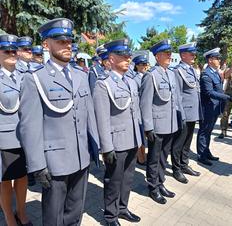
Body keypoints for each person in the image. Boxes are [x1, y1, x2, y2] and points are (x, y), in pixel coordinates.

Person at [18, 18, 100, 225]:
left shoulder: (81, 75)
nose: (67, 45)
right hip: (54, 163)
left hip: (81, 158)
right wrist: (37, 165)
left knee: (75, 214)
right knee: (54, 218)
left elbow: (89, 116)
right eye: (60, 41)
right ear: (46, 44)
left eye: (69, 41)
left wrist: (96, 148)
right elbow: (30, 126)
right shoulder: (35, 78)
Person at [93, 39, 142, 226]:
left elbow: (135, 112)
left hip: (131, 138)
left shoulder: (130, 81)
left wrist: (140, 138)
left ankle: (123, 208)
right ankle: (110, 216)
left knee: (128, 178)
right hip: (116, 141)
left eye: (129, 56)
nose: (128, 59)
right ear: (111, 59)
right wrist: (106, 147)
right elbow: (102, 118)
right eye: (123, 56)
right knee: (114, 180)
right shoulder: (103, 84)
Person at [140, 39, 182, 204]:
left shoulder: (171, 73)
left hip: (170, 123)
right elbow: (145, 103)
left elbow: (175, 99)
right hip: (157, 125)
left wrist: (179, 119)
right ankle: (153, 187)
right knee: (154, 157)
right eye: (166, 53)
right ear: (157, 56)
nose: (169, 56)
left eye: (170, 53)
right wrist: (148, 127)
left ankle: (160, 182)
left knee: (164, 157)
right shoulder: (151, 76)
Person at [0, 34, 32, 226]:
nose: (12, 53)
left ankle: (21, 212)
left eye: (14, 50)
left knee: (22, 178)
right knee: (5, 182)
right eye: (7, 50)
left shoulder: (24, 75)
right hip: (4, 139)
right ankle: (8, 217)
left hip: (24, 137)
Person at [171, 42, 202, 184]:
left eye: (194, 53)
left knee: (188, 141)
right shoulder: (178, 71)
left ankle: (184, 164)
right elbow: (177, 94)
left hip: (192, 112)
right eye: (191, 53)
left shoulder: (191, 70)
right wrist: (181, 114)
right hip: (184, 112)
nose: (194, 55)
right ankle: (176, 169)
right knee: (179, 142)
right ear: (183, 55)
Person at [197, 48, 231, 166]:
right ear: (210, 60)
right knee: (204, 131)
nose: (219, 60)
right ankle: (201, 155)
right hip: (208, 108)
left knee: (209, 131)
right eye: (217, 58)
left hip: (215, 107)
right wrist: (226, 97)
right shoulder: (206, 74)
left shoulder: (215, 72)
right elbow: (209, 92)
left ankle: (207, 151)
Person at [132, 54, 149, 165]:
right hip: (139, 110)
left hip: (146, 109)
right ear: (137, 66)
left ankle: (143, 156)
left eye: (145, 64)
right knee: (140, 135)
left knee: (144, 135)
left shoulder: (147, 75)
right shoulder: (135, 78)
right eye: (142, 64)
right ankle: (140, 158)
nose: (144, 66)